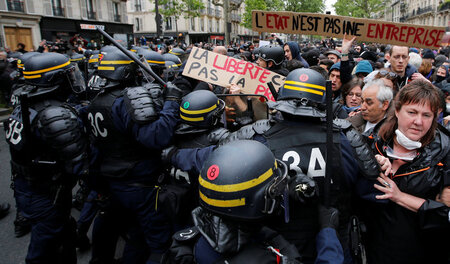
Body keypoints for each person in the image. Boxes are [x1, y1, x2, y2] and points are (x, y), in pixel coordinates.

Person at [86, 46, 182, 263]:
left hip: (114, 181)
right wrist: (171, 103)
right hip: (141, 182)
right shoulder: (128, 98)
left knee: (135, 236)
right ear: (128, 72)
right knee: (158, 242)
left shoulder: (96, 100)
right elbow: (156, 136)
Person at [5, 52, 88, 263]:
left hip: (28, 186)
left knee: (64, 235)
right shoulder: (53, 114)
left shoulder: (26, 102)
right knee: (44, 250)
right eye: (67, 74)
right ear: (55, 79)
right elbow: (79, 165)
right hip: (47, 193)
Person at [361, 79, 450, 264]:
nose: (418, 122)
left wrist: (399, 196)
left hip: (422, 252)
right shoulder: (370, 142)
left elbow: (445, 214)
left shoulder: (445, 153)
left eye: (427, 115)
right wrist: (369, 165)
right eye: (412, 112)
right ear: (397, 110)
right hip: (372, 249)